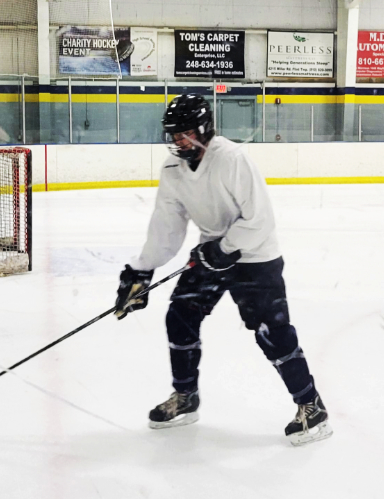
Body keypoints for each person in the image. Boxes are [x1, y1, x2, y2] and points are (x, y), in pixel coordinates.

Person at [114, 94, 331, 447]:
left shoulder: (230, 159)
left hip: (255, 256)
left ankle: (312, 406)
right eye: (174, 134)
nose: (179, 141)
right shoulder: (173, 171)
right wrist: (141, 270)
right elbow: (166, 227)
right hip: (213, 253)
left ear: (204, 128)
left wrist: (225, 248)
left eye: (186, 132)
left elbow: (259, 219)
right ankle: (185, 397)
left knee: (271, 332)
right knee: (180, 315)